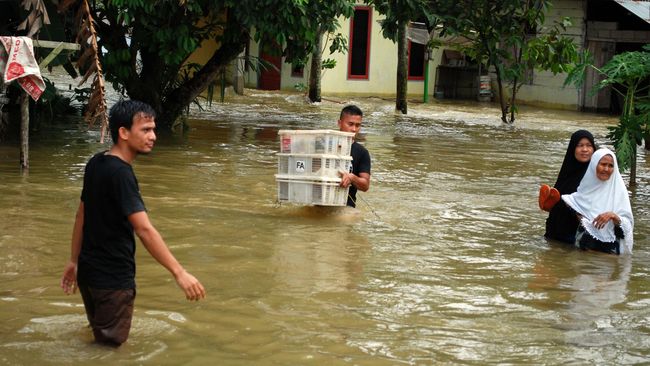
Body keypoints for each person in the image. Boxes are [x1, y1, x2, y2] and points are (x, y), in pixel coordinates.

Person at [60, 100, 206, 346]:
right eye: (146, 130)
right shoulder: (122, 175)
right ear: (123, 132)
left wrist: (74, 260)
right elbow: (144, 229)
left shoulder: (96, 163)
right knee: (109, 350)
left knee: (100, 341)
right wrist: (179, 273)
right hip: (113, 280)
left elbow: (81, 215)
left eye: (153, 129)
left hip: (89, 275)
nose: (153, 137)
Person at [562, 148, 634, 255]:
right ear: (594, 165)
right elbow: (572, 202)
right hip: (583, 250)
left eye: (610, 166)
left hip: (610, 253)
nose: (606, 169)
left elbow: (628, 225)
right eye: (603, 164)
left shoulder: (619, 192)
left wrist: (613, 216)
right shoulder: (583, 190)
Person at [544, 130, 596, 243]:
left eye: (589, 145)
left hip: (580, 240)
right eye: (580, 145)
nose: (585, 150)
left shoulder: (597, 176)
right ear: (572, 148)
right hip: (555, 235)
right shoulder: (566, 172)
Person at [337, 105, 371, 207]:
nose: (354, 129)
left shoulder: (362, 152)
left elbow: (365, 185)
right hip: (318, 203)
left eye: (357, 125)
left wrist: (352, 178)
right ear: (339, 123)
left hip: (346, 206)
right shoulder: (323, 146)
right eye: (350, 124)